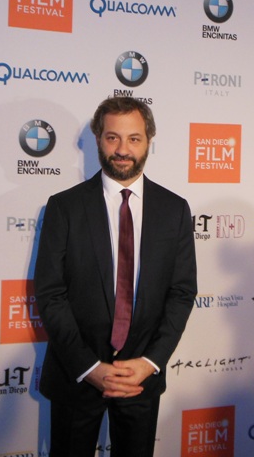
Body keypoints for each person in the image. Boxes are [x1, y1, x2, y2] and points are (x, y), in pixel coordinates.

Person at [34, 97, 197, 457]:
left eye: (134, 139)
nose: (123, 150)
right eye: (112, 138)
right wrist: (88, 367)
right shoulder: (64, 207)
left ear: (149, 141)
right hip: (76, 376)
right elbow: (50, 293)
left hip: (141, 379)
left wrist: (150, 362)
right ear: (97, 139)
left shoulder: (174, 210)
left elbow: (182, 293)